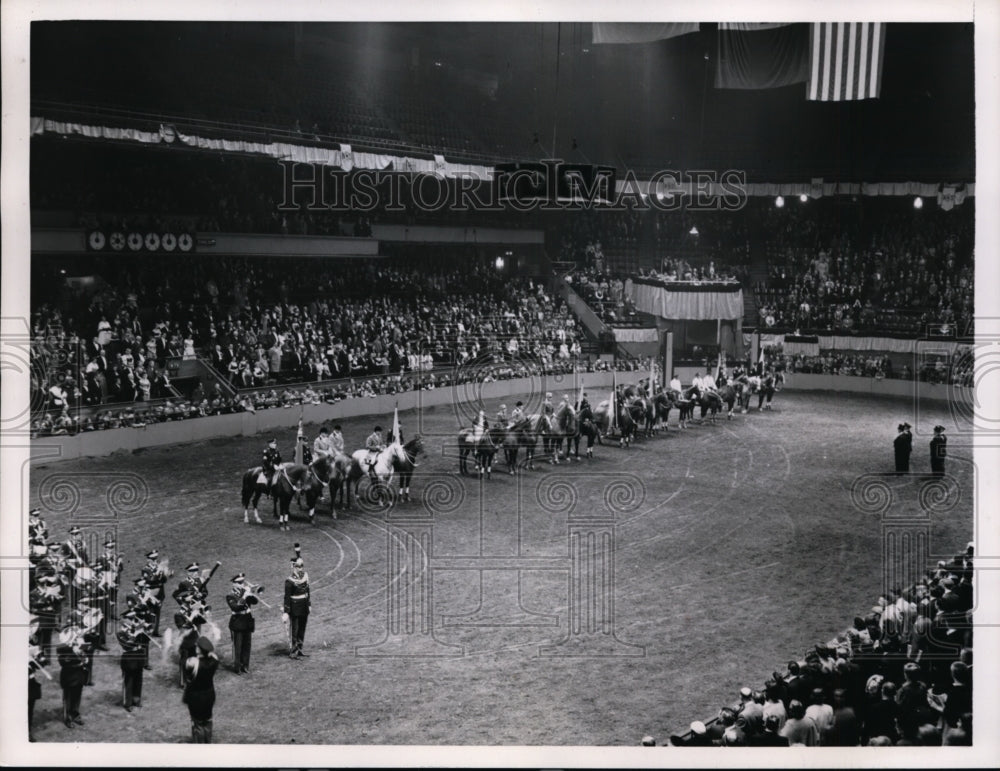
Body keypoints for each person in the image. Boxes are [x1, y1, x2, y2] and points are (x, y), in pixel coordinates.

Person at [183, 636, 220, 743]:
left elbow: (186, 665)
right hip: (209, 694)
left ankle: (199, 746)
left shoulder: (193, 663)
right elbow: (212, 655)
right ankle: (208, 742)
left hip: (195, 697)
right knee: (208, 720)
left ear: (199, 650)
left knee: (197, 723)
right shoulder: (214, 660)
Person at [57, 627, 89, 728]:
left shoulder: (77, 645)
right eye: (74, 637)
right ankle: (68, 718)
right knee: (68, 698)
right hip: (69, 676)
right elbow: (65, 663)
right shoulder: (62, 648)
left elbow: (84, 655)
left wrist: (83, 657)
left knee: (77, 696)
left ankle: (75, 714)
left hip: (79, 675)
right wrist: (75, 653)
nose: (76, 638)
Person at [226, 573, 258, 675]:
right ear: (234, 584)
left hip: (247, 620)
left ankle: (245, 666)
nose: (242, 584)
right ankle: (237, 667)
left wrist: (252, 593)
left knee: (247, 645)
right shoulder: (230, 595)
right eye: (239, 582)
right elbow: (235, 607)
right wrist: (245, 595)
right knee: (238, 646)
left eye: (242, 582)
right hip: (238, 621)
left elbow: (255, 602)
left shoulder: (246, 592)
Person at [283, 556, 311, 658]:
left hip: (304, 605)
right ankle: (293, 651)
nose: (301, 569)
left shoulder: (305, 576)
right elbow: (287, 597)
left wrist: (309, 604)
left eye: (302, 566)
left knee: (302, 628)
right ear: (293, 567)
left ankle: (299, 649)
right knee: (294, 629)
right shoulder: (289, 580)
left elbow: (307, 591)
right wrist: (286, 611)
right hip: (295, 606)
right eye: (298, 566)